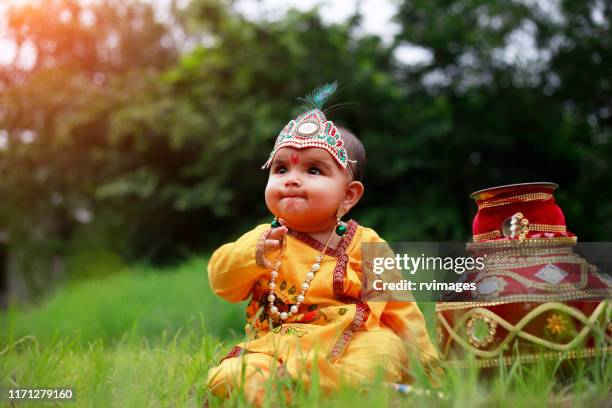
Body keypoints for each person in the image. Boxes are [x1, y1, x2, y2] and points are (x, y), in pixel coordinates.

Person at [206, 84, 438, 404]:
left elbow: (402, 310)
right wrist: (254, 254)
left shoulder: (365, 243)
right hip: (277, 349)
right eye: (281, 168)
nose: (292, 178)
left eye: (313, 169)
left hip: (352, 345)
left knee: (384, 348)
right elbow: (222, 283)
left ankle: (310, 388)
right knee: (232, 374)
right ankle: (309, 390)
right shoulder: (262, 239)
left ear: (348, 196)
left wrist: (426, 365)